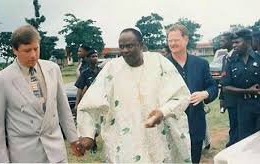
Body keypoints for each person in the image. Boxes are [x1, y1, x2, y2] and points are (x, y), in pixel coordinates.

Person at [77, 28, 192, 163]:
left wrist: (162, 112)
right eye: (122, 47)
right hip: (124, 140)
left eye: (129, 46)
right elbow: (92, 102)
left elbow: (181, 95)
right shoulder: (112, 69)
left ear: (141, 45)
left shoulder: (159, 63)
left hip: (157, 137)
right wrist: (87, 134)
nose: (125, 50)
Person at [0, 25, 83, 163]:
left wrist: (73, 139)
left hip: (56, 151)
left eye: (36, 48)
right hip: (25, 155)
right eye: (27, 50)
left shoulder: (53, 69)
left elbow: (63, 108)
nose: (33, 55)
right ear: (15, 50)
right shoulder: (0, 81)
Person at [166, 24, 218, 163]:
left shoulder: (201, 64)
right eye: (169, 40)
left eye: (176, 40)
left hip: (195, 123)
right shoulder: (162, 64)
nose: (172, 43)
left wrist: (205, 94)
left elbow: (213, 86)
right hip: (171, 125)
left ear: (186, 40)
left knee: (194, 159)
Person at [222, 29, 260, 141]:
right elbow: (226, 87)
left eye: (237, 42)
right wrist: (248, 91)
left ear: (248, 41)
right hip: (242, 107)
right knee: (245, 141)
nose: (234, 45)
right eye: (233, 43)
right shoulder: (231, 62)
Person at [75, 49, 101, 154]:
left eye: (96, 56)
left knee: (101, 123)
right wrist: (77, 104)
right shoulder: (85, 73)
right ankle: (93, 143)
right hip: (90, 102)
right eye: (92, 56)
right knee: (92, 123)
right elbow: (79, 89)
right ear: (88, 59)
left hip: (101, 100)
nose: (95, 58)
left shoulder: (102, 71)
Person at [218, 32, 239, 147]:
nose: (221, 42)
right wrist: (222, 97)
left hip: (237, 97)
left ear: (231, 41)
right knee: (233, 122)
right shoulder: (225, 57)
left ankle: (233, 145)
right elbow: (223, 79)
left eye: (223, 40)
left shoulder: (238, 55)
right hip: (228, 97)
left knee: (237, 124)